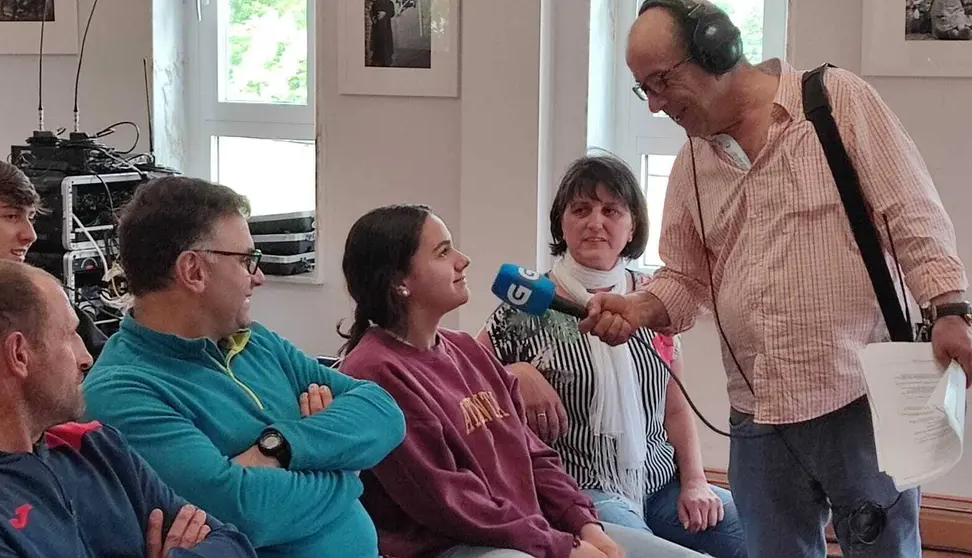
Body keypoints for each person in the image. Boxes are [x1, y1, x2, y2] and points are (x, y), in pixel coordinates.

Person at [579, 1, 972, 557]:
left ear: (717, 49)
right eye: (643, 90)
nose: (656, 105)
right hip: (758, 417)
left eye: (662, 82)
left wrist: (951, 308)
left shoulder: (835, 103)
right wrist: (639, 309)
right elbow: (686, 279)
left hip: (857, 396)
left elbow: (914, 214)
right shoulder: (693, 162)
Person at [337, 203, 703, 558]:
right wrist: (561, 547)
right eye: (443, 251)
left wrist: (584, 523)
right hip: (455, 543)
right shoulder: (376, 372)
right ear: (400, 282)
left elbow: (535, 455)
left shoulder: (465, 349)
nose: (462, 259)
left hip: (529, 531)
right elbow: (448, 502)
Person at [81, 177, 407, 558]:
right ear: (193, 271)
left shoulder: (255, 340)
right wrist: (346, 469)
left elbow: (384, 413)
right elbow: (244, 513)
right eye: (247, 260)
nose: (259, 277)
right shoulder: (122, 391)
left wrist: (282, 447)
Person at [478, 153, 746, 558]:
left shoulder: (653, 299)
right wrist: (514, 372)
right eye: (581, 209)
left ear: (632, 223)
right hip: (581, 494)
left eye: (611, 210)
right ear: (561, 222)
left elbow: (674, 407)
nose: (595, 222)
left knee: (758, 532)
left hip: (661, 484)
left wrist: (695, 481)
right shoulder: (527, 304)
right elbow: (462, 376)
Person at [0, 257, 257, 557]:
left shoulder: (97, 445)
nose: (86, 357)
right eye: (69, 335)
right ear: (19, 354)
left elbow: (233, 545)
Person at [0, 157, 108, 362]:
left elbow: (104, 359)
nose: (30, 235)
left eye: (30, 218)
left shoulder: (35, 294)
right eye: (11, 216)